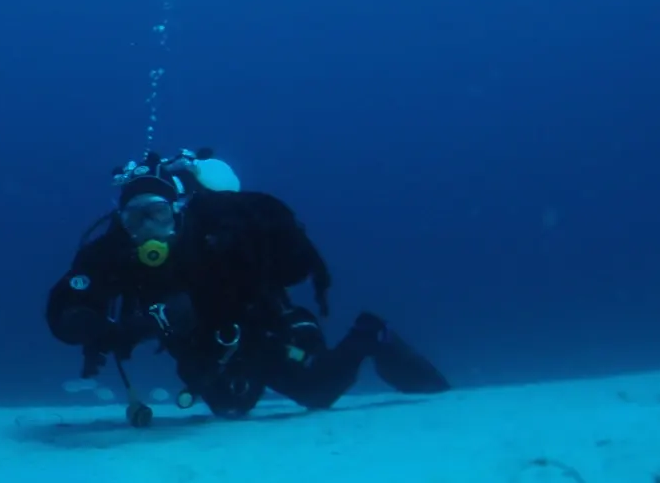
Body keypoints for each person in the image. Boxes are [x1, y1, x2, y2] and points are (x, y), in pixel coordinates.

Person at [45, 148, 450, 421]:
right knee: (230, 406)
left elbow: (269, 272)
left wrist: (193, 307)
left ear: (177, 210)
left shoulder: (215, 233)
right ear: (121, 222)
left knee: (317, 391)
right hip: (201, 346)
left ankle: (370, 334)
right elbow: (66, 304)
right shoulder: (112, 251)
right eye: (135, 218)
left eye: (157, 214)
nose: (148, 228)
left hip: (259, 328)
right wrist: (97, 326)